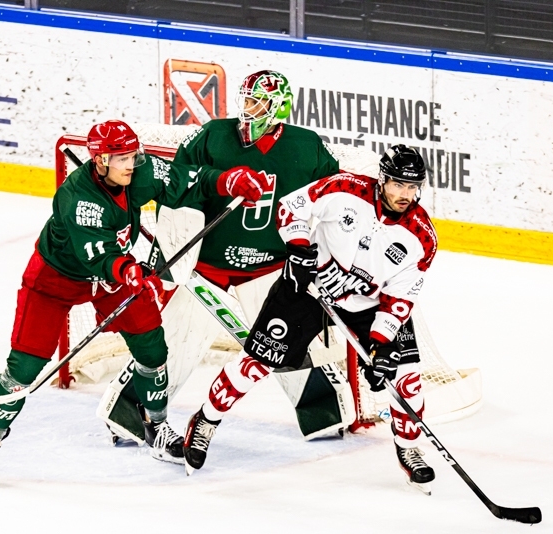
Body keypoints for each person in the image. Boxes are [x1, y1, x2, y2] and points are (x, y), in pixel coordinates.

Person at [0, 119, 266, 483]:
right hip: (56, 280)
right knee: (23, 367)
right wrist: (129, 270)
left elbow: (186, 181)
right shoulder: (77, 197)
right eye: (120, 158)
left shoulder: (138, 172)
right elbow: (98, 255)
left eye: (132, 155)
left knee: (152, 346)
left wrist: (225, 182)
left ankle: (157, 428)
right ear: (100, 161)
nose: (130, 164)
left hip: (115, 276)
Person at [99, 69, 354, 445]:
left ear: (277, 106)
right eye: (246, 99)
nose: (247, 109)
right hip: (207, 266)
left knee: (289, 341)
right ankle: (130, 414)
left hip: (270, 267)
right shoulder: (214, 135)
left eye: (257, 101)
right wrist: (168, 251)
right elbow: (176, 183)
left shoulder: (306, 146)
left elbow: (334, 199)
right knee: (173, 341)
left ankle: (325, 413)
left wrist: (324, 254)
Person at [184, 145, 439, 493]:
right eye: (398, 185)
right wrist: (300, 247)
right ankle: (205, 420)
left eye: (412, 187)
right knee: (256, 363)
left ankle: (408, 448)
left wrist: (380, 345)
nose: (405, 195)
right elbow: (291, 207)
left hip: (370, 306)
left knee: (404, 376)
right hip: (307, 286)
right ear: (383, 179)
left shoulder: (422, 237)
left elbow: (400, 297)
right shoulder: (345, 189)